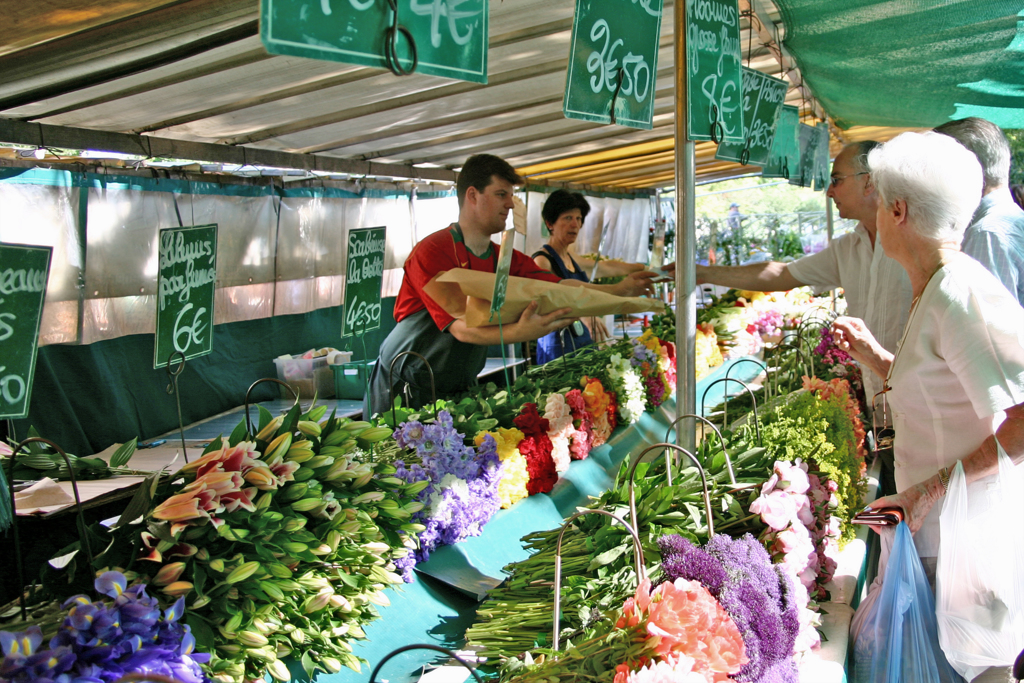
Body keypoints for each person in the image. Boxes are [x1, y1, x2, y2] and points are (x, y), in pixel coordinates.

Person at [832, 132, 1024, 683]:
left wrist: (927, 491)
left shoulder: (960, 292)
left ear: (897, 211)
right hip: (940, 537)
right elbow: (946, 392)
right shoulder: (937, 287)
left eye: (877, 199)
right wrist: (876, 358)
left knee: (982, 674)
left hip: (969, 542)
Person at [367, 155, 656, 416]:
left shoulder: (502, 258)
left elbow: (560, 286)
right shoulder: (433, 251)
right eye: (501, 194)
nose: (510, 204)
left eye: (511, 196)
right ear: (472, 195)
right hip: (402, 386)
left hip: (455, 385)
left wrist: (618, 291)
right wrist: (519, 332)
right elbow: (461, 327)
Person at [696, 141, 913, 408]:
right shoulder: (847, 249)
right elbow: (781, 275)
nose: (829, 192)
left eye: (837, 180)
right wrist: (703, 273)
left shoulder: (914, 241)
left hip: (924, 403)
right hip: (878, 404)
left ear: (868, 182)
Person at [531, 189, 669, 363]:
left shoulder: (572, 258)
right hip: (558, 345)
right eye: (568, 218)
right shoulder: (542, 261)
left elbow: (608, 267)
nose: (575, 225)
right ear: (550, 223)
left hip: (582, 339)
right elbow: (552, 302)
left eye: (578, 219)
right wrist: (585, 314)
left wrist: (644, 267)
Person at [934, 117, 1024, 305]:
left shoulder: (987, 234)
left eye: (936, 170)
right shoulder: (1008, 221)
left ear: (968, 169)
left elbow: (988, 329)